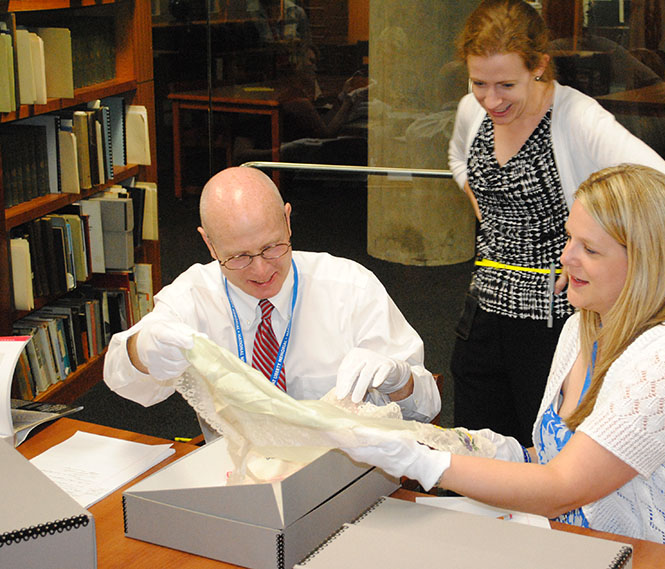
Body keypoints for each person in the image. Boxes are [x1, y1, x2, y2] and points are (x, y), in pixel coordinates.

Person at [341, 164, 665, 568]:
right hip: (612, 548)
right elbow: (548, 460)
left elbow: (563, 486)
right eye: (568, 237)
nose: (565, 258)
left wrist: (422, 461)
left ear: (646, 264)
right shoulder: (582, 326)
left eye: (590, 249)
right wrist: (428, 437)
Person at [447, 0, 665, 446]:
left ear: (539, 66)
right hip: (482, 312)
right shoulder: (471, 110)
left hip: (551, 326)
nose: (491, 99)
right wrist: (487, 211)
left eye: (506, 84)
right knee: (477, 450)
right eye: (479, 82)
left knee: (543, 453)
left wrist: (591, 250)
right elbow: (459, 160)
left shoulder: (577, 119)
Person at [103, 167, 440, 424]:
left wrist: (401, 379)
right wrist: (141, 351)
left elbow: (427, 409)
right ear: (209, 243)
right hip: (236, 479)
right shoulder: (194, 295)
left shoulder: (348, 287)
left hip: (343, 468)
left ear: (288, 221)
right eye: (239, 257)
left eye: (272, 247)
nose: (261, 271)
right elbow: (124, 381)